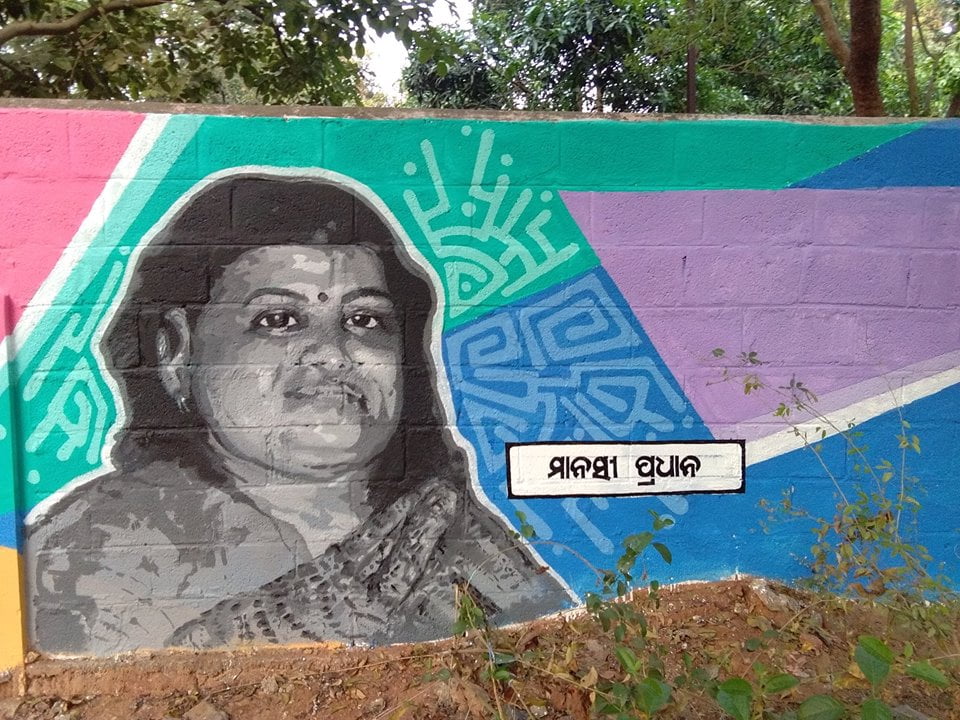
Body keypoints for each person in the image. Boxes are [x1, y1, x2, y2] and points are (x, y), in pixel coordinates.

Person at [25, 173, 572, 656]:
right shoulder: (86, 554)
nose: (333, 354)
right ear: (177, 353)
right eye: (278, 320)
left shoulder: (451, 532)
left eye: (365, 320)